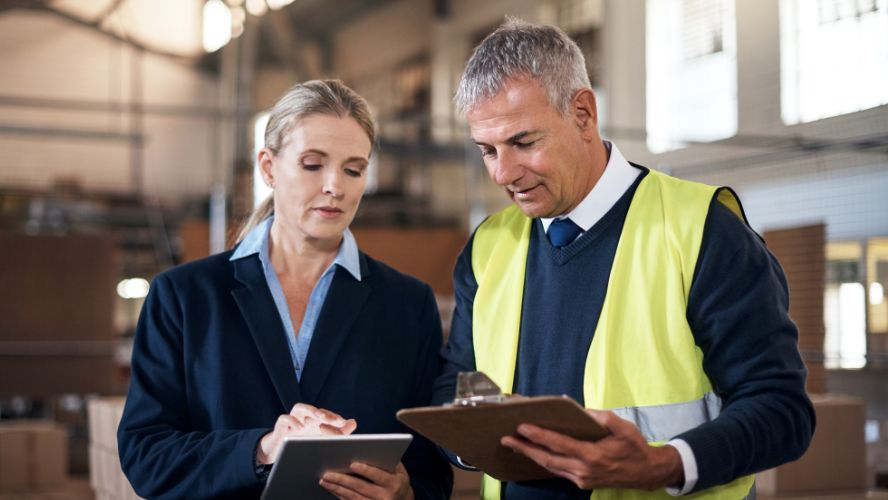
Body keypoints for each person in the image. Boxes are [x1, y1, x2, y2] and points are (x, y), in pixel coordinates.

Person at [431, 19, 815, 500]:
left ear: (583, 113)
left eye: (523, 142)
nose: (504, 173)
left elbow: (782, 411)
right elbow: (456, 382)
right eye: (487, 150)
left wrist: (663, 464)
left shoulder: (701, 230)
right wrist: (473, 442)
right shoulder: (488, 246)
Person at [118, 79, 453, 499]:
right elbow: (146, 455)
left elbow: (431, 469)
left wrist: (406, 492)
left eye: (354, 169)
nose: (336, 186)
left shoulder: (407, 305)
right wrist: (261, 449)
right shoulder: (184, 298)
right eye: (313, 164)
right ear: (268, 167)